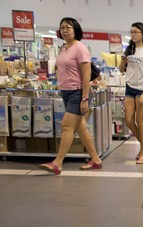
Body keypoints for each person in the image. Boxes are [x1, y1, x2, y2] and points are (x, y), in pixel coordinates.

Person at [39, 17, 102, 175]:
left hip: (78, 91)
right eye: (62, 28)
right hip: (66, 91)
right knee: (80, 127)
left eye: (68, 27)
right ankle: (95, 159)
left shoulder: (80, 48)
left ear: (76, 30)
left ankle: (57, 163)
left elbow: (86, 75)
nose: (65, 30)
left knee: (67, 126)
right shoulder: (64, 48)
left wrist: (85, 98)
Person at [119, 22, 143, 164]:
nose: (133, 34)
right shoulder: (129, 49)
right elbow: (121, 70)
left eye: (136, 32)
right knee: (128, 120)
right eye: (131, 32)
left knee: (140, 122)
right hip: (129, 87)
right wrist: (123, 62)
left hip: (142, 88)